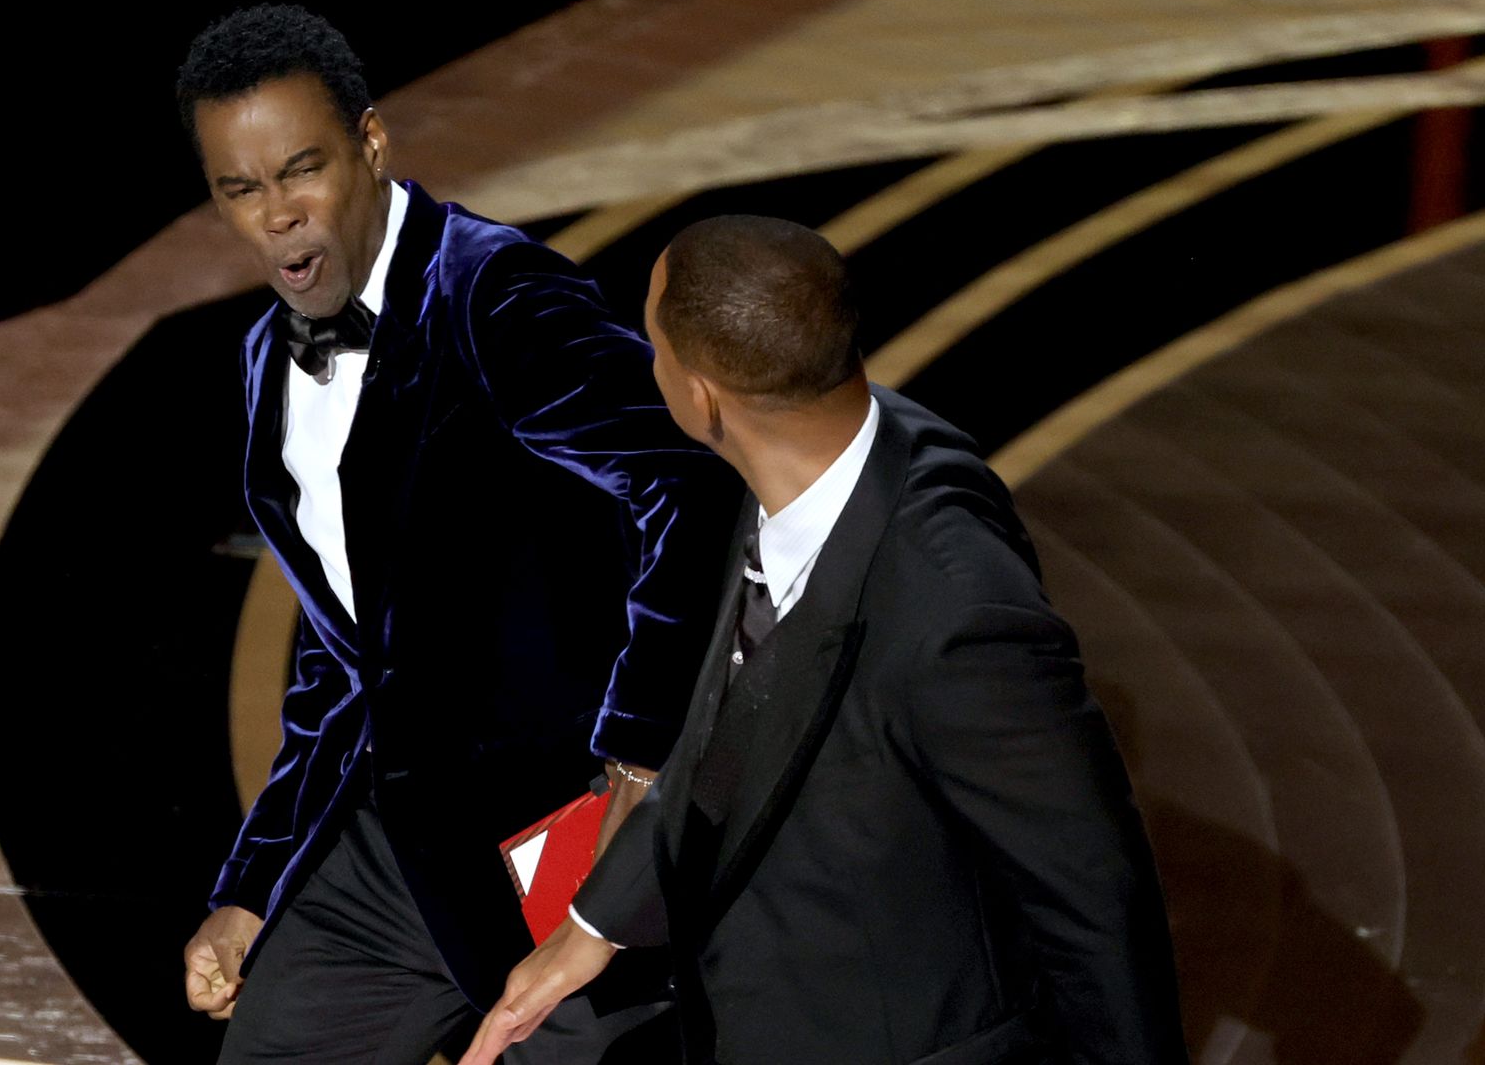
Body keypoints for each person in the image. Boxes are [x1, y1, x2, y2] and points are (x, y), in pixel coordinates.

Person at [461, 216, 1189, 1064]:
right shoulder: (822, 449)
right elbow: (735, 726)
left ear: (700, 398)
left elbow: (1096, 904)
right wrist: (594, 924)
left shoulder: (961, 621)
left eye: (651, 341)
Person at [174, 5, 737, 1064]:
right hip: (402, 849)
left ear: (373, 144)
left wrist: (635, 768)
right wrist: (255, 886)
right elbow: (349, 658)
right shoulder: (263, 362)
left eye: (303, 171)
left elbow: (695, 488)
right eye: (240, 190)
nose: (280, 216)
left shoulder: (497, 296)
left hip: (564, 848)